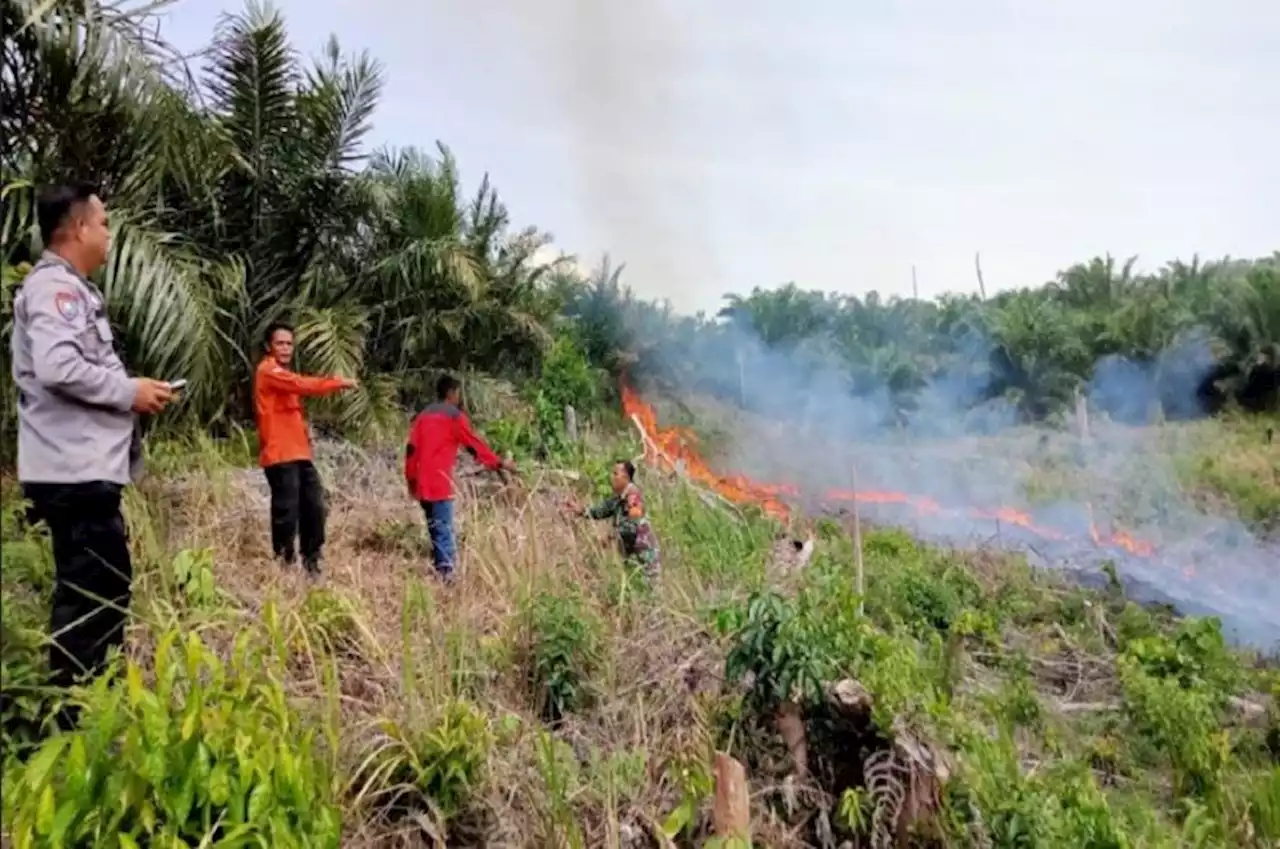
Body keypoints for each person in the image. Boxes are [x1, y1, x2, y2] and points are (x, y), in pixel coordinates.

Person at [10, 183, 176, 725]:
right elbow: (58, 368)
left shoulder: (74, 291)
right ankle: (75, 724)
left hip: (82, 471)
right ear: (79, 227)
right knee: (92, 595)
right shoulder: (53, 290)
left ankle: (86, 709)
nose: (109, 236)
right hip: (72, 474)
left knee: (100, 588)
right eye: (104, 224)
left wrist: (133, 391)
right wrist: (130, 391)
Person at [253, 322, 356, 575]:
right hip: (279, 454)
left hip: (299, 453)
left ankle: (312, 560)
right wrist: (337, 383)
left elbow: (292, 407)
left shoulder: (282, 375)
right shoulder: (268, 371)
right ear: (269, 346)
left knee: (314, 505)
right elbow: (302, 385)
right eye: (280, 343)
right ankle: (284, 563)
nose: (286, 348)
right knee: (286, 512)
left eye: (289, 343)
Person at [404, 374, 516, 580]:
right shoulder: (454, 417)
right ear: (451, 393)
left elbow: (411, 450)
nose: (459, 397)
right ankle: (447, 580)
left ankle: (440, 574)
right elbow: (474, 445)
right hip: (440, 484)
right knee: (444, 532)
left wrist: (411, 480)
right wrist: (500, 463)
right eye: (458, 393)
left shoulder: (423, 416)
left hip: (421, 483)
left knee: (435, 530)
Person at [568, 459, 661, 581]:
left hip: (643, 553)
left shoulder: (633, 495)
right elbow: (600, 510)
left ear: (626, 477)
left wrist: (609, 537)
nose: (612, 477)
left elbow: (632, 525)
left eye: (615, 474)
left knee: (649, 589)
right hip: (632, 554)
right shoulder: (619, 499)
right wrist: (580, 510)